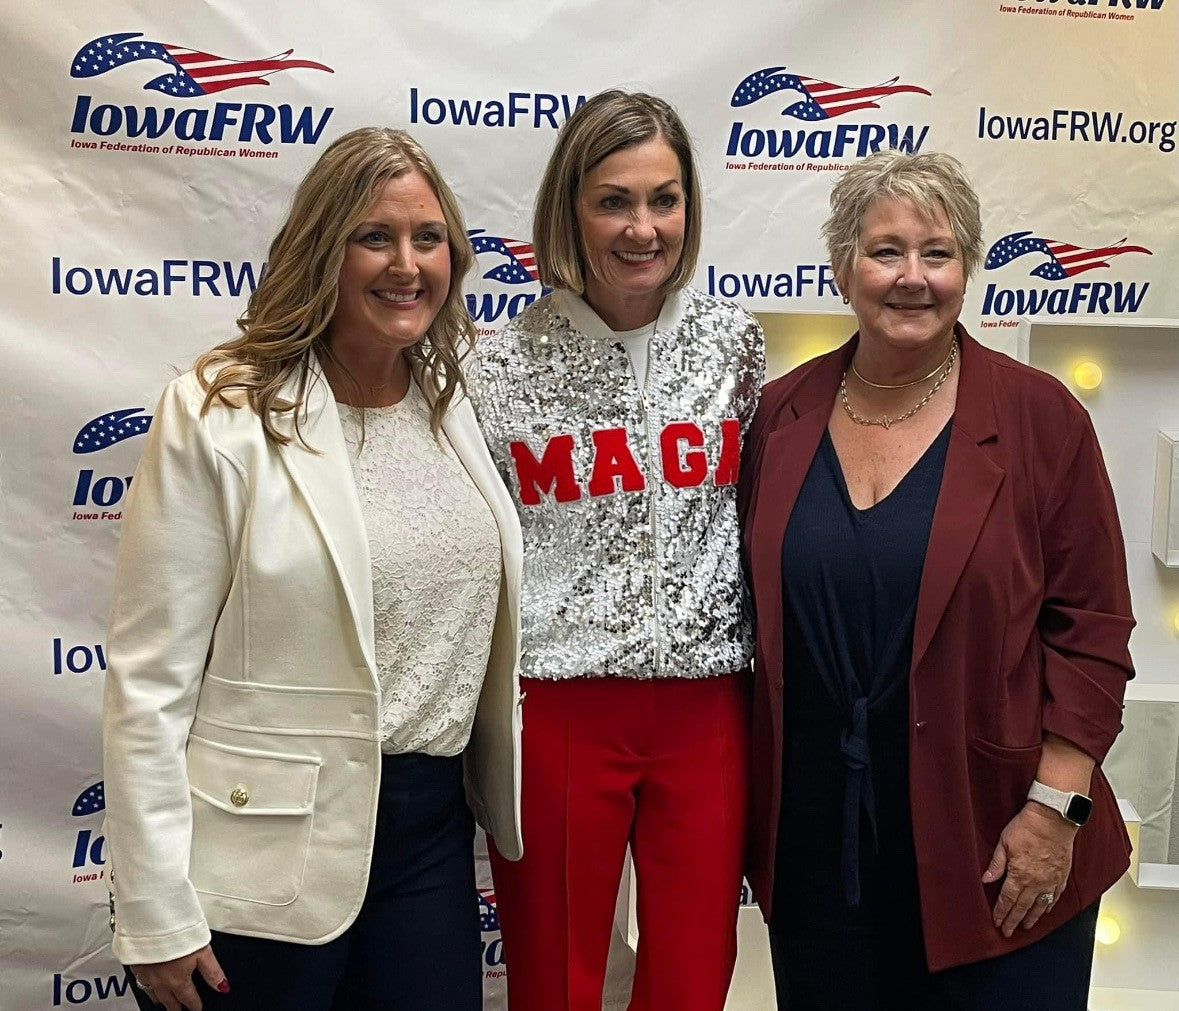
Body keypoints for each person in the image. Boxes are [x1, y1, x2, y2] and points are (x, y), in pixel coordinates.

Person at [102, 127, 523, 1011]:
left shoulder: (453, 404)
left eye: (427, 237)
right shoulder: (218, 411)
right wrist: (152, 906)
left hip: (428, 839)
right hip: (258, 855)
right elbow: (149, 681)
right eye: (374, 236)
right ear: (321, 248)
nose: (405, 264)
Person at [737, 149, 1135, 1009]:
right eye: (885, 251)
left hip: (1000, 847)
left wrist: (1053, 810)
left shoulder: (1039, 418)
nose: (911, 277)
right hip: (819, 860)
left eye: (937, 253)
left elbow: (1093, 631)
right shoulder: (778, 415)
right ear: (841, 265)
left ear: (967, 268)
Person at [471, 89, 765, 1011]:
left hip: (707, 705)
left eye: (663, 199)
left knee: (692, 976)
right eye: (613, 201)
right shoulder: (497, 364)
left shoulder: (733, 344)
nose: (643, 228)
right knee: (555, 977)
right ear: (570, 210)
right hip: (560, 705)